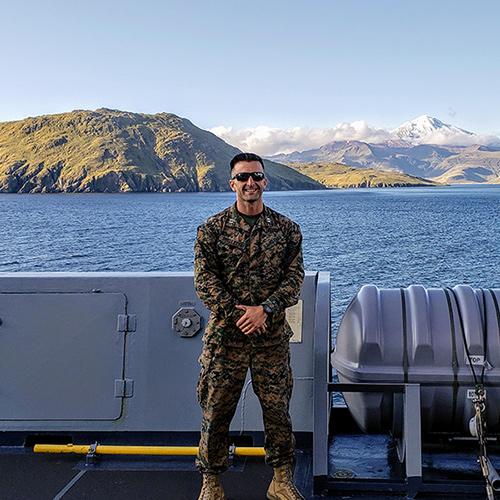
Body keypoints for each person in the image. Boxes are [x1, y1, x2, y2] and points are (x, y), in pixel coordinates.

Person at [194, 152, 305, 500]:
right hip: (226, 338)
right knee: (216, 410)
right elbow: (204, 280)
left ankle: (281, 480)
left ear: (265, 182)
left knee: (277, 411)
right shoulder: (212, 230)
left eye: (256, 176)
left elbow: (294, 278)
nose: (250, 183)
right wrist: (237, 313)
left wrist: (265, 310)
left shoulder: (286, 230)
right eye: (243, 178)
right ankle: (211, 482)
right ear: (232, 184)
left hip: (270, 338)